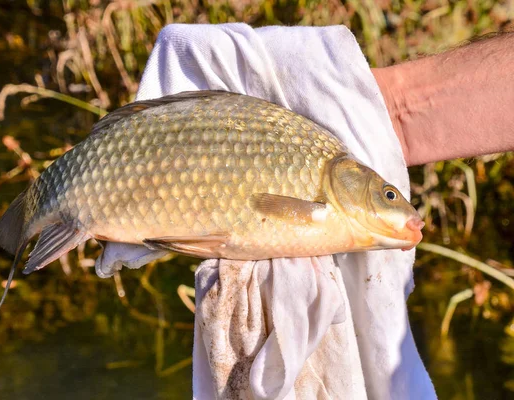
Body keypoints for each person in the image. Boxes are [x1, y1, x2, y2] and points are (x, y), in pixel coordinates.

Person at [134, 24, 513, 399]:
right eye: (387, 195)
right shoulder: (328, 171)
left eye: (389, 195)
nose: (402, 209)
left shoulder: (334, 178)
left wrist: (390, 113)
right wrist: (388, 111)